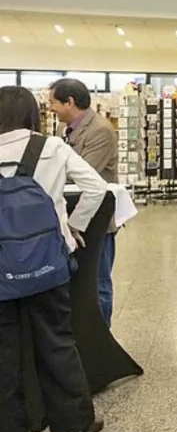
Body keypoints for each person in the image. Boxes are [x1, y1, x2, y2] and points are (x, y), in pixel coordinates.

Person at [0, 86, 107, 432]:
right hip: (48, 260)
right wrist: (73, 227)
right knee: (57, 339)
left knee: (4, 349)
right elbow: (96, 188)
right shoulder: (51, 147)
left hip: (2, 266)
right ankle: (77, 422)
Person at [49, 78, 118, 327]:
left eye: (53, 102)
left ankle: (102, 333)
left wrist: (49, 171)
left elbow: (85, 173)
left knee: (98, 281)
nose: (50, 108)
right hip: (69, 216)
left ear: (69, 102)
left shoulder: (101, 130)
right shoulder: (62, 128)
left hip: (96, 219)